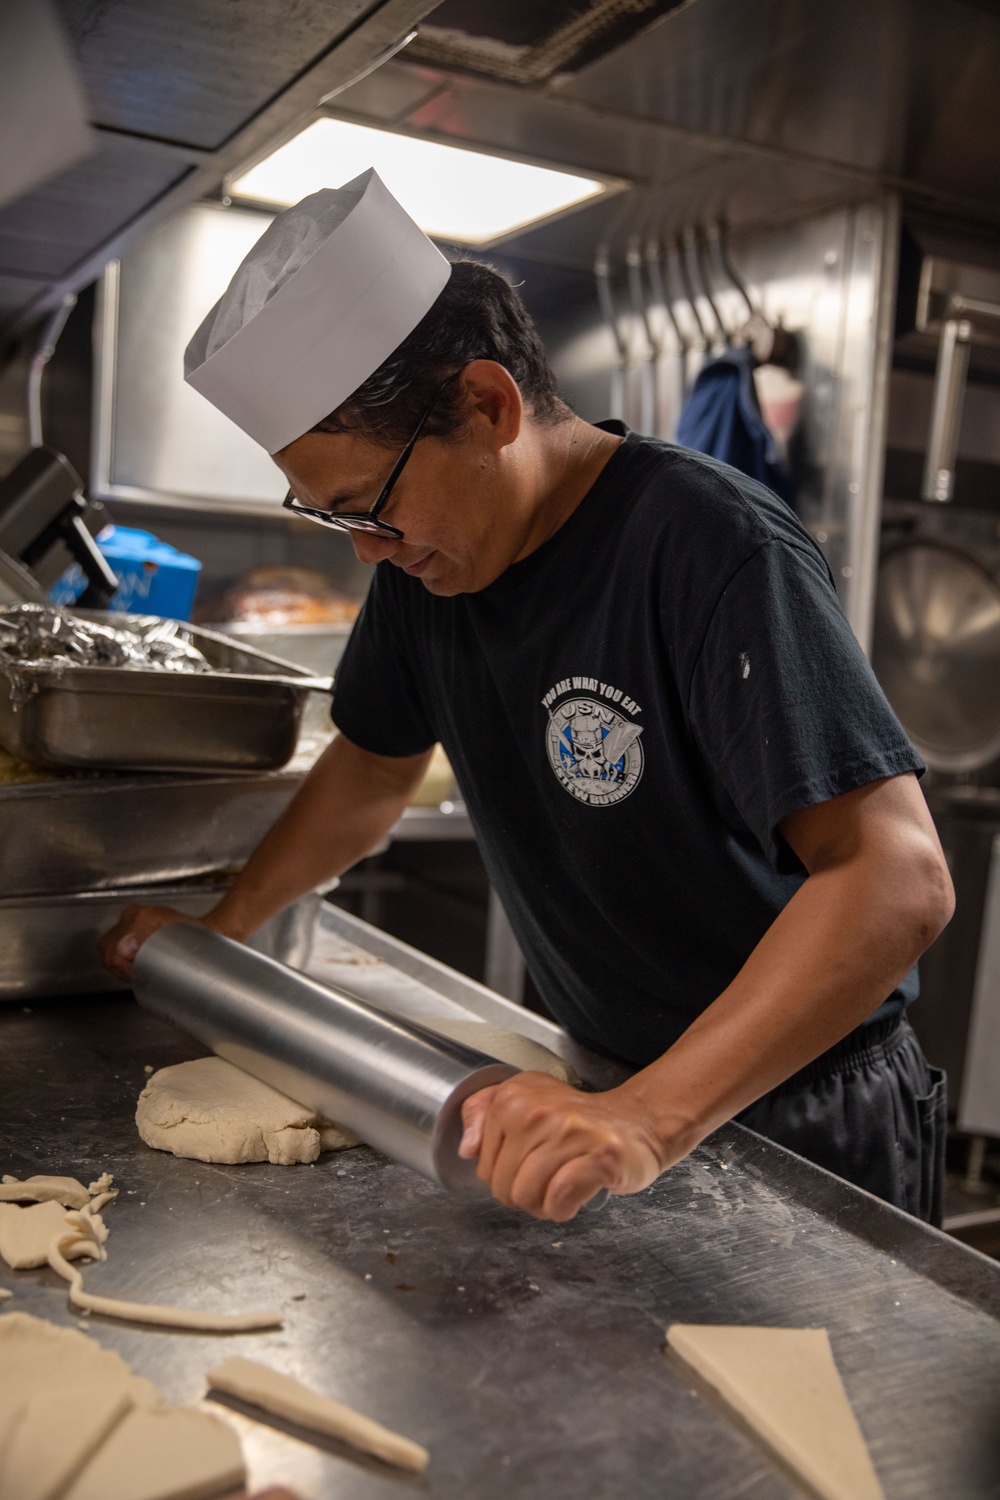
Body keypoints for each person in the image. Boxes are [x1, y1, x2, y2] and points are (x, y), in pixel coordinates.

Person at [102, 175, 954, 1226]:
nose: (369, 547)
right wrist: (225, 930)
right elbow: (372, 765)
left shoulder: (705, 546)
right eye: (334, 521)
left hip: (799, 1102)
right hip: (610, 1085)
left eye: (371, 506)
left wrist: (649, 1116)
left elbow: (896, 877)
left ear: (490, 406)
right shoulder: (431, 571)